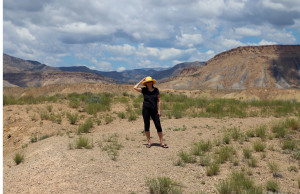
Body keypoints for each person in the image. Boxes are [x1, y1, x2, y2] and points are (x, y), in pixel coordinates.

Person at [133, 76, 168, 148]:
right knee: (147, 125)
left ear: (152, 82)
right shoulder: (144, 90)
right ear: (145, 83)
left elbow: (159, 101)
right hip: (146, 110)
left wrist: (160, 111)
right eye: (147, 82)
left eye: (150, 82)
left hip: (154, 110)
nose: (149, 83)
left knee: (158, 125)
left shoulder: (156, 90)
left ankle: (162, 143)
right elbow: (135, 87)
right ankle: (149, 142)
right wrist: (141, 80)